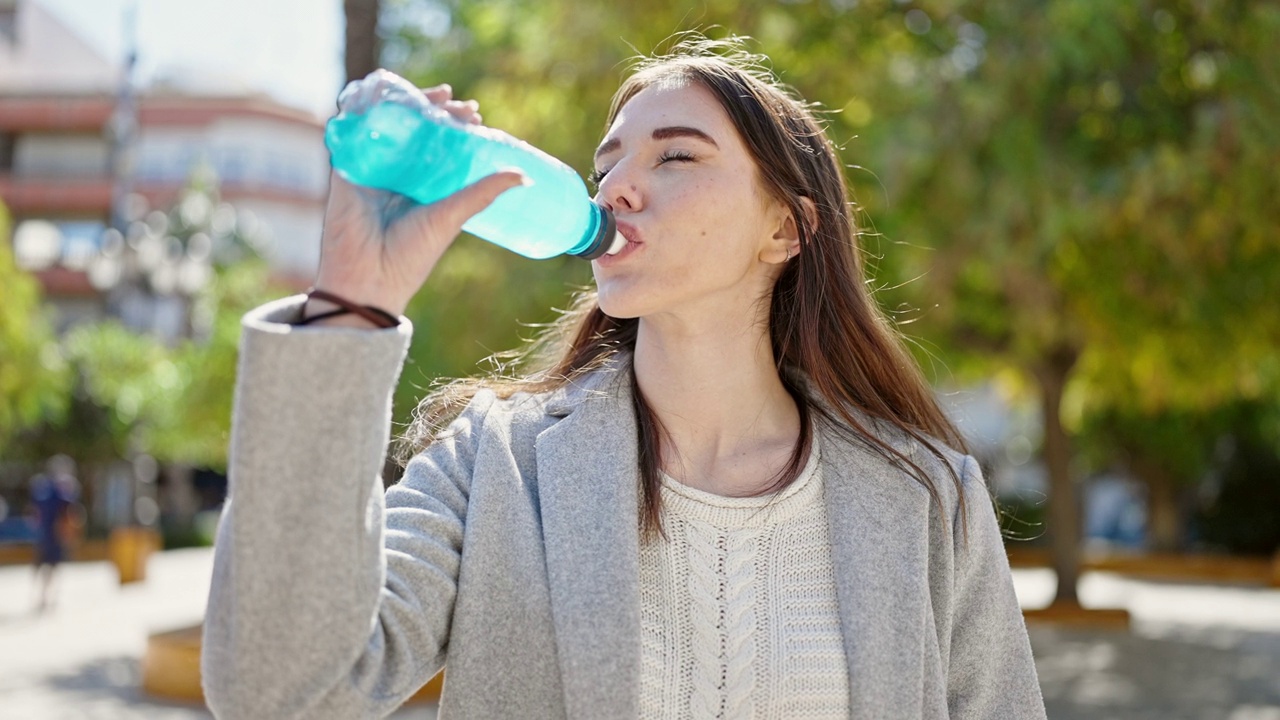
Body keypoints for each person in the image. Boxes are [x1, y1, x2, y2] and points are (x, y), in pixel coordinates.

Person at [202, 38, 1047, 719]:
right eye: (607, 165)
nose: (619, 188)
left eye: (675, 156)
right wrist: (353, 301)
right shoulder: (495, 467)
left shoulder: (928, 496)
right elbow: (283, 694)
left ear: (786, 228)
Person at [29, 454, 81, 613]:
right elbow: (70, 511)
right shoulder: (60, 489)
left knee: (45, 565)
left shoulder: (43, 487)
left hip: (45, 534)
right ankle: (46, 597)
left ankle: (44, 597)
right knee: (50, 566)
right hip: (53, 534)